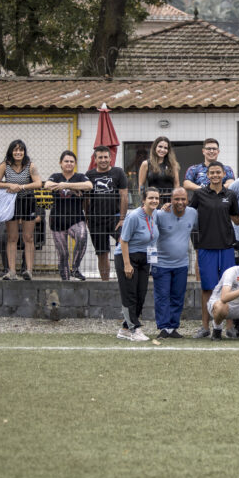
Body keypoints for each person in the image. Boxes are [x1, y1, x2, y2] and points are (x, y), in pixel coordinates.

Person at [188, 161, 239, 338]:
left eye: (219, 172)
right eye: (212, 172)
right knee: (207, 288)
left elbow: (237, 218)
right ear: (207, 175)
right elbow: (188, 214)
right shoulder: (199, 194)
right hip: (205, 247)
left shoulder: (231, 194)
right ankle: (205, 327)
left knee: (229, 287)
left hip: (226, 246)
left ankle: (229, 327)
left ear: (224, 174)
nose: (216, 175)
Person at [0, 139, 42, 280]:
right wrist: (9, 184)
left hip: (28, 201)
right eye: (15, 150)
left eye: (21, 150)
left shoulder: (30, 165)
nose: (18, 152)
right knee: (12, 237)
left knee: (28, 237)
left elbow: (38, 182)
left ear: (24, 152)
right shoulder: (5, 165)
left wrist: (21, 187)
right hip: (11, 202)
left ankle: (29, 271)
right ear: (11, 151)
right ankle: (12, 271)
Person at [115, 186, 160, 341]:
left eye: (157, 198)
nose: (154, 201)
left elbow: (153, 240)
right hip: (127, 257)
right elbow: (123, 241)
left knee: (141, 295)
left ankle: (125, 329)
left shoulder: (155, 215)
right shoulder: (134, 216)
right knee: (130, 295)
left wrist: (152, 265)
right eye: (151, 198)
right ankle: (135, 329)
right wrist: (127, 265)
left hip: (144, 259)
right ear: (143, 200)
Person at [153, 187, 197, 339]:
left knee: (178, 297)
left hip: (182, 264)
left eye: (183, 199)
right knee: (162, 297)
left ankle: (173, 328)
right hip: (161, 264)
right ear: (170, 200)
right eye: (176, 199)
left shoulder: (193, 213)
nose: (180, 202)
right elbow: (148, 228)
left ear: (187, 200)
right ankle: (163, 327)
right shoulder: (161, 214)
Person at [44, 150, 91, 281]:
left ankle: (75, 269)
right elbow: (47, 185)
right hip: (57, 220)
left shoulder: (80, 176)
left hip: (76, 219)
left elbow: (88, 185)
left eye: (71, 161)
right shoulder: (56, 176)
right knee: (63, 253)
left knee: (82, 237)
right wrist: (73, 189)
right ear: (60, 163)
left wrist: (66, 185)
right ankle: (65, 281)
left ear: (75, 163)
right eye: (66, 161)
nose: (69, 164)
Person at [85, 145, 128, 282]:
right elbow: (86, 199)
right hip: (96, 220)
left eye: (105, 157)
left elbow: (124, 196)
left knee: (125, 246)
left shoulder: (118, 172)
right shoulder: (89, 175)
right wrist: (87, 218)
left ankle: (125, 279)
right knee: (102, 253)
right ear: (95, 159)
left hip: (115, 218)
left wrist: (122, 218)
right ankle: (105, 283)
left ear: (110, 158)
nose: (103, 160)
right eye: (100, 157)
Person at [138, 136, 180, 204]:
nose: (162, 150)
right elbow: (141, 185)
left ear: (168, 150)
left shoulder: (173, 165)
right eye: (160, 146)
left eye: (165, 148)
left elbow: (176, 184)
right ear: (155, 147)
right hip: (153, 202)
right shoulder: (146, 164)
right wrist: (143, 201)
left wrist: (174, 201)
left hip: (169, 202)